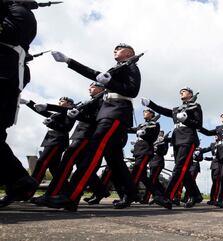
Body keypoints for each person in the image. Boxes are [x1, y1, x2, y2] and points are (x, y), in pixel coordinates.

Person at [43, 43, 141, 211]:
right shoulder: (117, 68)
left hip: (116, 112)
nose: (115, 50)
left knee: (94, 151)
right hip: (107, 113)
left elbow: (133, 91)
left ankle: (71, 197)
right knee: (115, 160)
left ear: (129, 53)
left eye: (119, 48)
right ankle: (131, 192)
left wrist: (110, 82)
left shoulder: (131, 66)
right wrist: (68, 61)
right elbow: (94, 74)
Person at [0, 0, 38, 208]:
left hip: (4, 78)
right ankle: (18, 181)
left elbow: (10, 34)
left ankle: (19, 180)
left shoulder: (20, 11)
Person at [141, 87, 203, 209]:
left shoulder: (195, 106)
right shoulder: (177, 109)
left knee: (179, 168)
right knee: (183, 171)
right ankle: (196, 195)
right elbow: (163, 111)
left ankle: (167, 197)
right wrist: (150, 104)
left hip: (188, 139)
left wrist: (186, 119)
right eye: (180, 91)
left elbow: (198, 124)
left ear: (190, 94)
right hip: (177, 140)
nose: (181, 92)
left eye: (184, 91)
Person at [23, 97, 75, 197]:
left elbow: (66, 128)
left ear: (69, 104)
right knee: (54, 169)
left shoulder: (69, 113)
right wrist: (29, 102)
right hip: (52, 141)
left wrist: (51, 123)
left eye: (63, 101)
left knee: (41, 164)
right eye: (59, 101)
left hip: (56, 142)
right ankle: (67, 192)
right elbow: (42, 111)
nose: (59, 102)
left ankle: (28, 192)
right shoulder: (57, 113)